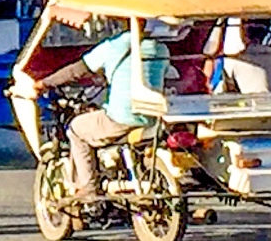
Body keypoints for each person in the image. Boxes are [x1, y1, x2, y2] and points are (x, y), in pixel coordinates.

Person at [27, 18, 171, 202]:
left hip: (121, 118)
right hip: (152, 117)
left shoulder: (114, 46)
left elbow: (77, 70)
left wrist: (43, 84)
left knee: (76, 129)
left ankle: (88, 187)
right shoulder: (161, 49)